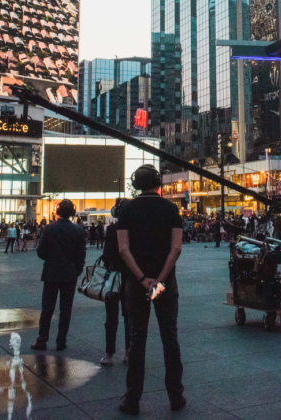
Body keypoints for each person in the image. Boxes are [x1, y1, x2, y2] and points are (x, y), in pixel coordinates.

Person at [116, 165, 186, 416]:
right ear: (158, 184)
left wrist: (143, 278)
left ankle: (132, 399)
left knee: (137, 338)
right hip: (165, 284)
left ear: (136, 184)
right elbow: (176, 249)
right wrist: (159, 280)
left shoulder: (127, 210)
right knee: (170, 336)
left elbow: (123, 249)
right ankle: (176, 395)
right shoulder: (170, 209)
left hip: (137, 284)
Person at [32, 199, 87, 353]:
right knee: (66, 309)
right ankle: (61, 341)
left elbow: (41, 251)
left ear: (58, 211)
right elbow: (81, 254)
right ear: (72, 212)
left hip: (51, 273)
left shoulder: (49, 228)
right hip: (70, 274)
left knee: (47, 308)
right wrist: (77, 269)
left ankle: (42, 339)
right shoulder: (78, 230)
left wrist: (51, 260)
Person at [100, 200, 130, 367]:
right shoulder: (135, 230)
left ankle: (109, 354)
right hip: (130, 277)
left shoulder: (112, 229)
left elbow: (106, 255)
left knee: (111, 317)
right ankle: (128, 352)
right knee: (129, 316)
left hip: (113, 277)